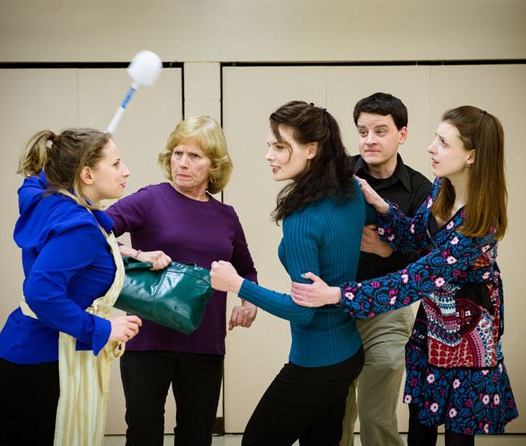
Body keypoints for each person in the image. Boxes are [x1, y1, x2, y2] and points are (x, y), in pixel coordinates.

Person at [291, 106, 518, 446]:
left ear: (471, 156)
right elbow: (416, 236)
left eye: (442, 142)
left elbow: (414, 279)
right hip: (434, 325)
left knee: (458, 433)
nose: (431, 147)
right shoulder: (442, 188)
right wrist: (381, 205)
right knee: (421, 425)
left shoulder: (478, 225)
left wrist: (338, 294)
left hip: (468, 337)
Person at [210, 100, 375, 445]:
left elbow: (303, 311)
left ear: (312, 149)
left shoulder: (302, 220)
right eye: (270, 145)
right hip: (347, 353)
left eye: (280, 146)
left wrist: (237, 284)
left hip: (316, 362)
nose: (269, 155)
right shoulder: (351, 191)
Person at [105, 115, 258, 446]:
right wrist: (132, 254)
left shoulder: (225, 216)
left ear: (214, 166)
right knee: (144, 435)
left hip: (204, 344)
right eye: (177, 153)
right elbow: (91, 231)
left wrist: (249, 301)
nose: (182, 163)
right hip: (147, 342)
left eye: (194, 156)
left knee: (196, 436)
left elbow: (246, 268)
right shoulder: (150, 199)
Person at [0, 128, 143, 445]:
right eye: (116, 163)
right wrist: (101, 329)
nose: (125, 171)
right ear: (86, 174)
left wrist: (127, 252)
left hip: (18, 359)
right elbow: (41, 294)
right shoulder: (79, 225)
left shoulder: (45, 198)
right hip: (38, 370)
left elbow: (36, 180)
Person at [340, 92, 431, 446]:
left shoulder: (421, 189)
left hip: (388, 312)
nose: (369, 140)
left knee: (377, 411)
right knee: (335, 411)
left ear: (402, 134)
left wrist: (386, 249)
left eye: (380, 131)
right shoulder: (338, 174)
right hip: (337, 309)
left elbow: (431, 261)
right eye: (363, 131)